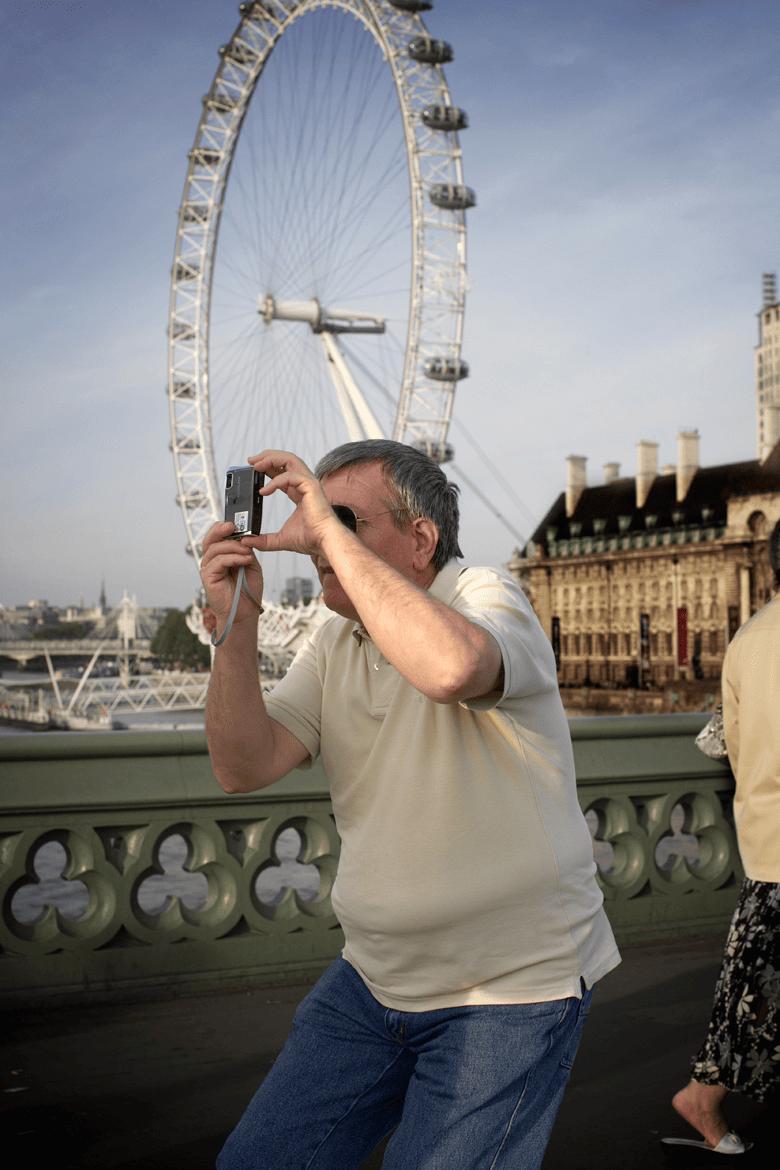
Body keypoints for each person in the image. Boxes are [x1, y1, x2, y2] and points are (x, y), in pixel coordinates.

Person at [201, 440, 621, 1170]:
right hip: (372, 979)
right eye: (316, 520)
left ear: (422, 537)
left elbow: (452, 667)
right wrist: (236, 625)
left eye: (342, 519)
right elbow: (243, 765)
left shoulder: (487, 596)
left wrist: (324, 532)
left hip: (509, 990)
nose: (314, 537)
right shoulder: (337, 640)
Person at [666, 519, 780, 1155]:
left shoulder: (748, 637)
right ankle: (702, 1097)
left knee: (753, 989)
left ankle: (704, 1098)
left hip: (765, 839)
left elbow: (730, 740)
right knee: (754, 993)